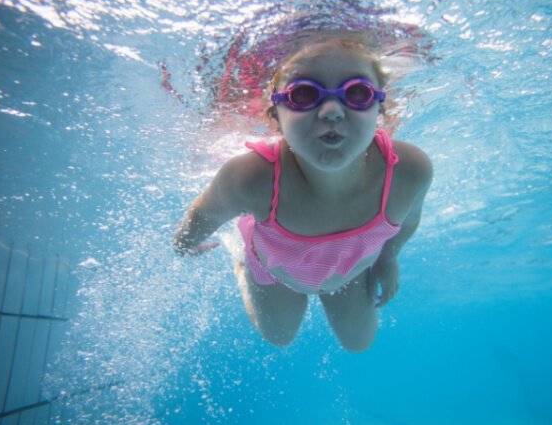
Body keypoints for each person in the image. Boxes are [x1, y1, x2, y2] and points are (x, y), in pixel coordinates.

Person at [173, 35, 432, 352]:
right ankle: (242, 258)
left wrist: (389, 260)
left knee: (359, 343)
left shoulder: (409, 170)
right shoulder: (251, 178)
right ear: (276, 116)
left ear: (380, 107)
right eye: (305, 94)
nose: (332, 111)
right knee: (279, 337)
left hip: (350, 271)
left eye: (358, 93)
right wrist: (184, 244)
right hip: (275, 270)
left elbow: (406, 224)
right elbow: (204, 214)